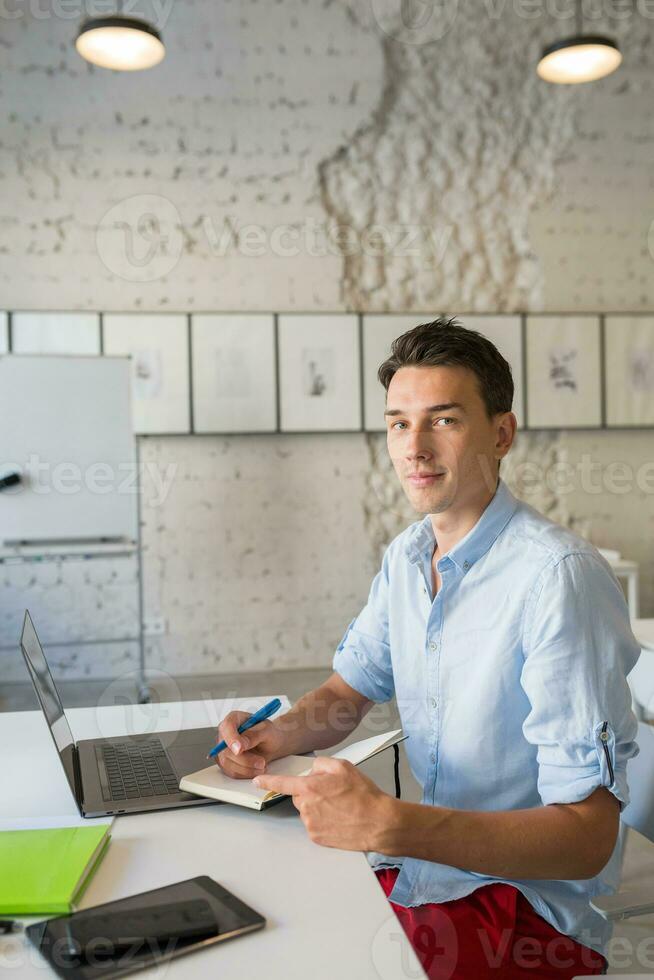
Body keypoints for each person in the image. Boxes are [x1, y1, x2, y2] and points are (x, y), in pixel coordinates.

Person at [215, 318, 640, 979]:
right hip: (426, 871)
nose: (414, 446)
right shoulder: (409, 556)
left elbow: (587, 838)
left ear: (501, 433)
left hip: (525, 912)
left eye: (442, 420)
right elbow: (345, 695)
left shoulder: (558, 578)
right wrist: (273, 737)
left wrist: (389, 825)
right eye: (397, 423)